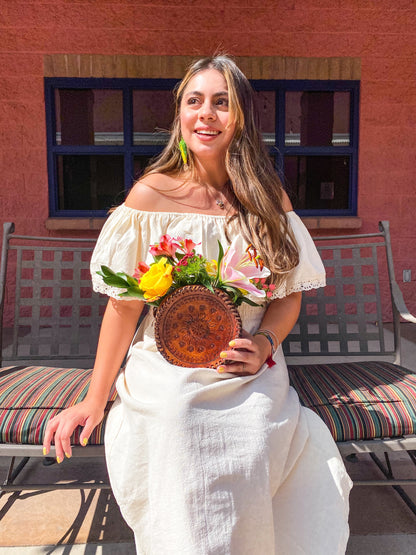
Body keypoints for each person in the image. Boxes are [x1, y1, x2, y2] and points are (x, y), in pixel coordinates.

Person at [43, 55, 352, 554]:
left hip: (245, 361)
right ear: (180, 115)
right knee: (179, 417)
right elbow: (123, 308)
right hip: (165, 361)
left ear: (242, 118)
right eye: (194, 101)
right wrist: (94, 398)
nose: (206, 113)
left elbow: (288, 294)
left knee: (251, 435)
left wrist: (265, 342)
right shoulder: (150, 195)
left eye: (222, 102)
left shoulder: (267, 197)